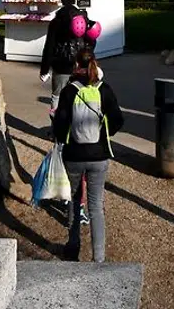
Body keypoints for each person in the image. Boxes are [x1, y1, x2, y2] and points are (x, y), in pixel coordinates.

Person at [52, 51, 125, 262]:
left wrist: (61, 138)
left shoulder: (69, 91)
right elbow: (118, 119)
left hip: (74, 155)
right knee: (96, 206)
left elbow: (60, 125)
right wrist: (104, 133)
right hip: (99, 154)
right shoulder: (104, 90)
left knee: (75, 202)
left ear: (76, 65)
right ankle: (98, 257)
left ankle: (73, 248)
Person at [40, 0, 90, 111]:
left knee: (57, 95)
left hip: (61, 64)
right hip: (80, 64)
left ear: (62, 3)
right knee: (78, 95)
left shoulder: (56, 22)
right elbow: (90, 40)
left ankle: (56, 125)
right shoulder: (83, 20)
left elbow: (49, 46)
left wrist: (44, 69)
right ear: (74, 3)